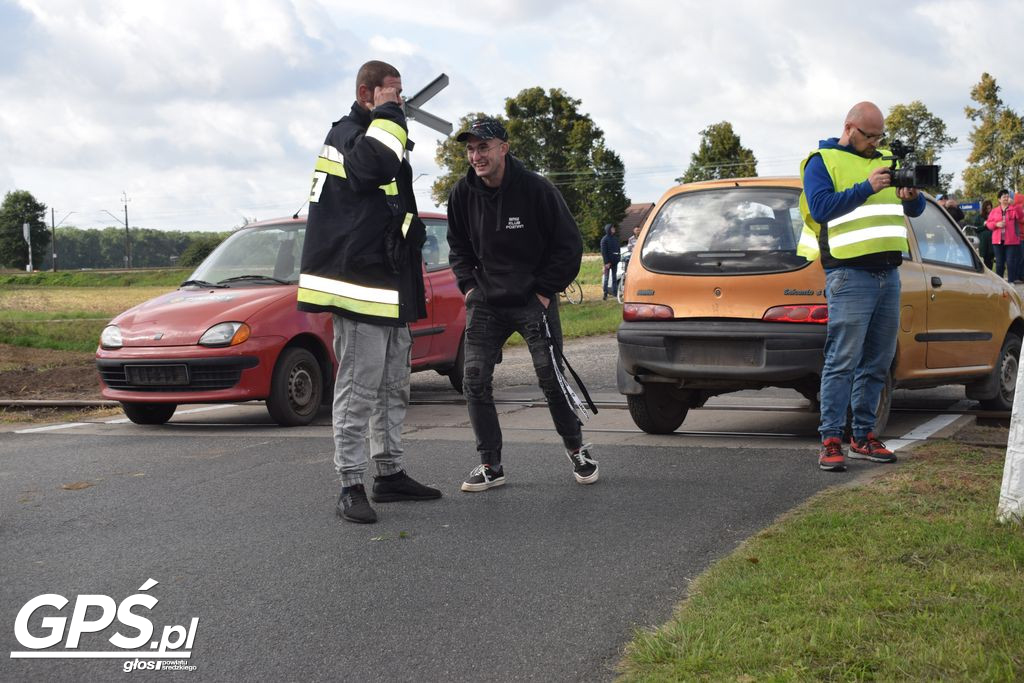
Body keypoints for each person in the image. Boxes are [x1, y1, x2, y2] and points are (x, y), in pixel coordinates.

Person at [298, 60, 441, 524]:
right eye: (391, 92)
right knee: (359, 388)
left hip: (388, 282)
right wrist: (390, 116)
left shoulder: (383, 131)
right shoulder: (350, 134)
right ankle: (350, 484)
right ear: (367, 94)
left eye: (399, 94)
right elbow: (371, 169)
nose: (399, 100)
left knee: (393, 386)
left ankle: (389, 473)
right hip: (359, 285)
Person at [446, 118, 598, 491]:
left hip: (533, 298)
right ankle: (490, 465)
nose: (476, 155)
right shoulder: (462, 194)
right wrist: (468, 287)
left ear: (504, 148)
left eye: (483, 147)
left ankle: (577, 450)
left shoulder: (536, 189)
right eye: (470, 149)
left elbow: (568, 245)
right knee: (474, 379)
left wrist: (545, 291)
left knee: (550, 377)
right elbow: (458, 249)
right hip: (486, 301)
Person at [797, 101, 925, 472]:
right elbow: (820, 208)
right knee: (842, 360)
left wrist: (911, 198)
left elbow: (913, 212)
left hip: (888, 273)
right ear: (850, 128)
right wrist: (865, 187)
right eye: (870, 136)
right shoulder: (821, 161)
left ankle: (864, 436)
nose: (876, 143)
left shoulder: (886, 158)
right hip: (849, 275)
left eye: (880, 136)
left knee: (878, 361)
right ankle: (831, 439)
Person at [986, 189, 1023, 283]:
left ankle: (1011, 281)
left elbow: (1021, 216)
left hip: (1011, 240)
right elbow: (988, 224)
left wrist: (1014, 205)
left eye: (1007, 196)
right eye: (1004, 197)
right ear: (999, 199)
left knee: (1011, 262)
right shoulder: (994, 211)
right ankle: (1000, 282)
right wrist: (996, 224)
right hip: (997, 241)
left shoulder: (1014, 208)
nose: (1006, 198)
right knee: (999, 263)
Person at [600, 223, 620, 300]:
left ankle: (615, 293)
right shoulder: (604, 240)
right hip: (607, 263)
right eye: (612, 228)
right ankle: (605, 294)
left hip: (615, 261)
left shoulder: (615, 238)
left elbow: (618, 249)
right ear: (609, 229)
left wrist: (618, 257)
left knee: (614, 278)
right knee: (606, 278)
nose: (614, 229)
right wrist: (606, 262)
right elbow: (603, 252)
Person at [976, 199, 994, 269]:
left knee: (991, 260)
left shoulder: (994, 215)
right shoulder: (979, 217)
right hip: (984, 243)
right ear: (984, 209)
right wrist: (984, 225)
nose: (989, 210)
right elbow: (976, 228)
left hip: (993, 242)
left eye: (990, 208)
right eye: (987, 208)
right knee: (986, 260)